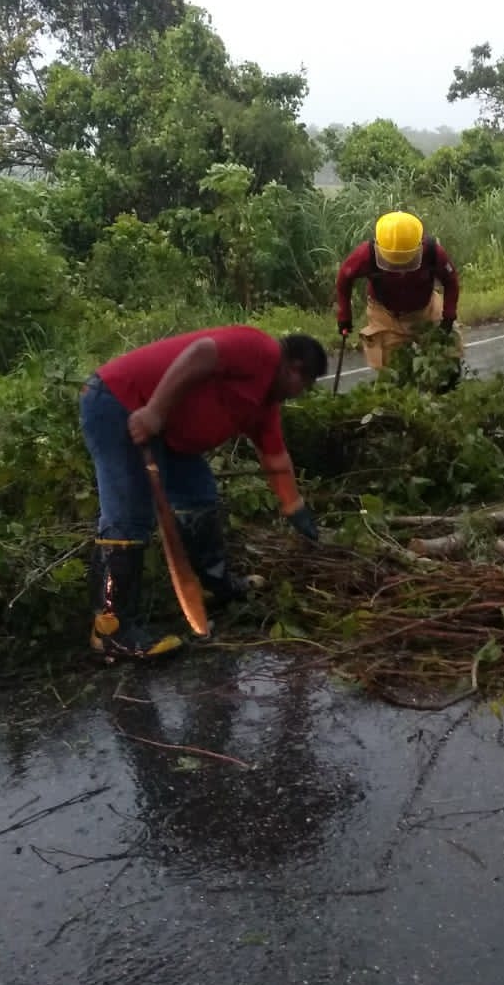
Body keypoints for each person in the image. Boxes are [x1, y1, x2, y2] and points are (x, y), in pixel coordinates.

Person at [80, 326, 327, 663]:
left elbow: (275, 457)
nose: (301, 393)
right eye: (306, 384)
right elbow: (201, 353)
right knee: (130, 516)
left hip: (169, 433)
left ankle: (212, 585)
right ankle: (110, 630)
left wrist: (294, 508)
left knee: (199, 496)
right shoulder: (261, 350)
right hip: (119, 402)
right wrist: (154, 411)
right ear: (294, 368)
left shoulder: (264, 404)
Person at [335, 210, 461, 373]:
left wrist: (449, 315)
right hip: (385, 314)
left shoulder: (432, 251)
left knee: (447, 358)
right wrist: (344, 314)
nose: (400, 269)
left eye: (405, 261)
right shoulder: (366, 255)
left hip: (426, 309)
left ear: (419, 245)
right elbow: (344, 279)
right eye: (394, 262)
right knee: (393, 372)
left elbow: (451, 281)